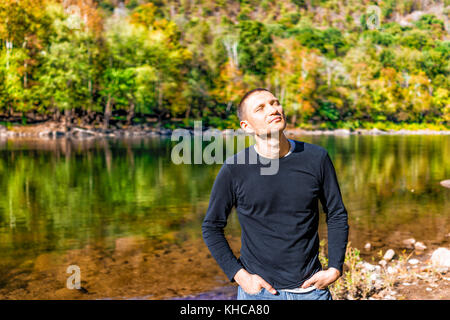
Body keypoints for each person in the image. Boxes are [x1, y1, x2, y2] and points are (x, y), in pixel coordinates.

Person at [201, 88, 349, 300]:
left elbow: (336, 214)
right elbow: (211, 227)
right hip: (259, 293)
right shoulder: (235, 169)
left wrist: (335, 267)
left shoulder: (316, 158)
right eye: (260, 108)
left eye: (274, 103)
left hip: (311, 292)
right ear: (246, 126)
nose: (273, 109)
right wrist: (240, 276)